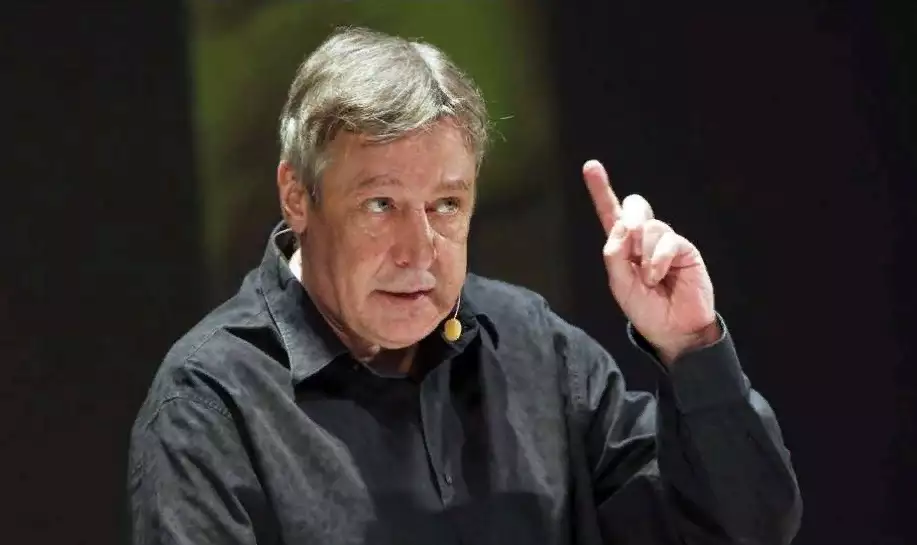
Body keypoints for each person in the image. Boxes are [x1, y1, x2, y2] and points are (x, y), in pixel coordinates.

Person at [127, 26, 802, 545]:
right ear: (297, 196)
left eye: (446, 205)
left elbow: (743, 528)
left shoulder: (535, 348)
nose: (419, 249)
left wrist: (690, 346)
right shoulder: (209, 403)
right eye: (380, 204)